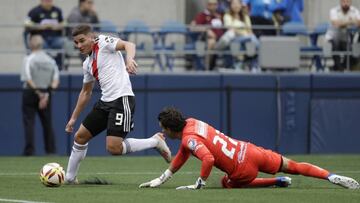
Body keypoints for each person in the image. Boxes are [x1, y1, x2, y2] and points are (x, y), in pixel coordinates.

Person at [139, 107, 360, 189]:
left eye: (163, 129)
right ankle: (330, 176)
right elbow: (183, 154)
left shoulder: (188, 140)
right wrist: (162, 178)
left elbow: (207, 159)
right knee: (292, 165)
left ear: (169, 128)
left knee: (226, 183)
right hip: (248, 150)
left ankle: (275, 182)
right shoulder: (193, 123)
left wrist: (200, 183)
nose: (163, 132)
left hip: (241, 169)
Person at [64, 25, 172, 184]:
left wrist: (129, 59)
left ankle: (155, 141)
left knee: (114, 148)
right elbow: (85, 93)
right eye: (76, 43)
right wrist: (73, 118)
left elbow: (129, 45)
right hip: (105, 102)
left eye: (82, 41)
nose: (79, 46)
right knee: (80, 137)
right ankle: (70, 179)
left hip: (122, 99)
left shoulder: (102, 41)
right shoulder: (87, 64)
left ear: (91, 37)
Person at [21, 35, 60, 156]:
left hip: (31, 93)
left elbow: (28, 79)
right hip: (46, 93)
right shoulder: (50, 60)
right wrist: (45, 95)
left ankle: (29, 151)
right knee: (47, 122)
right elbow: (55, 80)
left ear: (31, 45)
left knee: (29, 122)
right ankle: (51, 150)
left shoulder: (28, 59)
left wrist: (38, 93)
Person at [215, 0, 259, 71]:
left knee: (250, 40)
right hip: (234, 38)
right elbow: (230, 29)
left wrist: (244, 33)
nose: (236, 6)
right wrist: (244, 33)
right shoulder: (227, 16)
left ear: (241, 5)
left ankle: (250, 65)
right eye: (234, 4)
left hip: (246, 39)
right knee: (250, 39)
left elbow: (250, 30)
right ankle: (255, 59)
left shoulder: (245, 16)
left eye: (238, 4)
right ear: (231, 5)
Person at [25, 0, 65, 70]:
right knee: (43, 46)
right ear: (41, 1)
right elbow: (27, 24)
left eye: (50, 1)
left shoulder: (57, 10)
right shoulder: (34, 11)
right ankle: (47, 68)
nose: (48, 2)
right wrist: (41, 27)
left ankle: (59, 67)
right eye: (46, 1)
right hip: (41, 38)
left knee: (64, 43)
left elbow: (64, 23)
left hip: (55, 38)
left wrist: (56, 27)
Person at [325, 0, 360, 71]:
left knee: (352, 53)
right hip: (332, 38)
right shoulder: (333, 11)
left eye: (348, 1)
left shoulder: (355, 11)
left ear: (351, 2)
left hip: (345, 39)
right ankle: (339, 69)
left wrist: (343, 22)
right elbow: (336, 23)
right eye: (344, 1)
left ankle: (338, 68)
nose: (345, 3)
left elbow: (359, 22)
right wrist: (351, 21)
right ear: (340, 2)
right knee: (335, 46)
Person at [191, 0, 224, 70]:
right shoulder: (202, 15)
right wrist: (207, 30)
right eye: (211, 4)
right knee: (211, 42)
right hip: (206, 39)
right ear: (207, 5)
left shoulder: (219, 16)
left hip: (221, 40)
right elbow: (193, 27)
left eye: (215, 4)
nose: (213, 6)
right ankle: (207, 68)